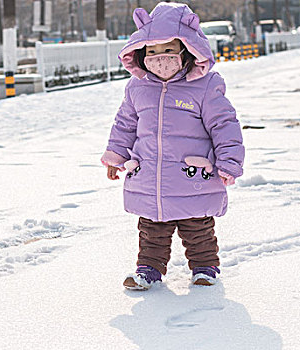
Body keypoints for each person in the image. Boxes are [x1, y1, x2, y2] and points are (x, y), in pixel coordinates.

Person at [101, 2, 245, 290]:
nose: (159, 59)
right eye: (152, 52)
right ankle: (148, 270)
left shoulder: (205, 86)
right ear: (141, 53)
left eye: (167, 50)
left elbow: (225, 124)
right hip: (150, 176)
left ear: (187, 50)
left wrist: (229, 163)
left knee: (198, 227)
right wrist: (116, 156)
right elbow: (125, 124)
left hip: (193, 176)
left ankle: (204, 268)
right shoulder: (137, 87)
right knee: (151, 228)